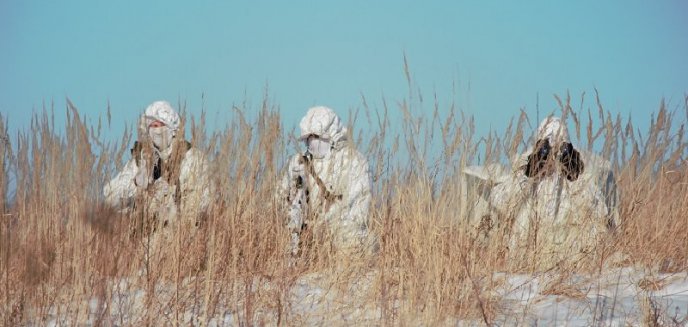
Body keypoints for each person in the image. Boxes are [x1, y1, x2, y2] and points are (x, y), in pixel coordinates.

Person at [463, 116, 619, 267]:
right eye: (547, 146)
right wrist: (530, 172)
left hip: (573, 260)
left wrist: (574, 175)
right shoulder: (524, 167)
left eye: (558, 147)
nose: (552, 152)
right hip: (529, 260)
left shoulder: (582, 173)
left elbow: (599, 212)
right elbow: (501, 202)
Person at [279, 106, 374, 257]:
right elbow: (284, 201)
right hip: (306, 248)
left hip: (346, 247)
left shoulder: (355, 162)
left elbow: (359, 210)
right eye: (308, 138)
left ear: (332, 135)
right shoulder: (298, 163)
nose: (312, 142)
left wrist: (327, 231)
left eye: (316, 136)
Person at [103, 101, 211, 232]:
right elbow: (110, 198)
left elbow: (204, 202)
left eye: (161, 125)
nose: (156, 130)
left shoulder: (192, 158)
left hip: (181, 239)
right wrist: (135, 184)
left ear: (173, 129)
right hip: (144, 241)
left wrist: (169, 203)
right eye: (152, 126)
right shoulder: (140, 159)